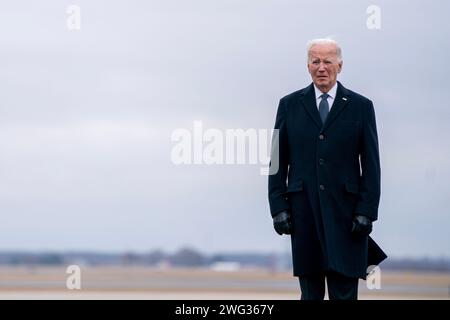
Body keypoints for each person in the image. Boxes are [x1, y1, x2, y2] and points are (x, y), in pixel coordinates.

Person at [268, 38, 386, 300]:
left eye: (328, 61)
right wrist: (278, 208)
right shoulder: (289, 105)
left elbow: (372, 165)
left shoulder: (361, 107)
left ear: (340, 66)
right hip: (304, 212)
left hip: (347, 217)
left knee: (344, 292)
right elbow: (276, 161)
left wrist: (366, 211)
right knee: (310, 294)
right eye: (315, 61)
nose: (322, 67)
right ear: (308, 65)